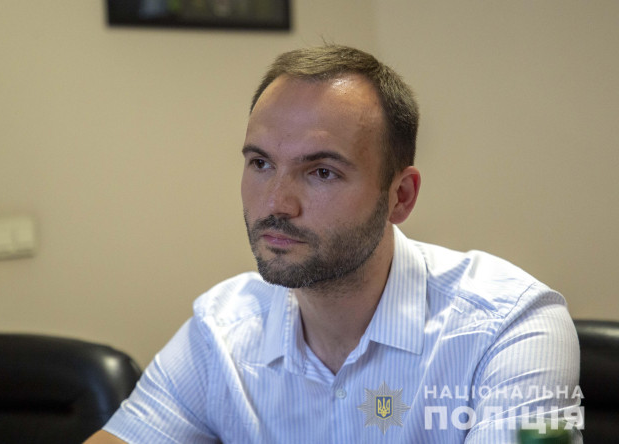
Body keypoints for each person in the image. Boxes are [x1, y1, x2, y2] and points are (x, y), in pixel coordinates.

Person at [85, 45, 581, 443]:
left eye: (321, 172)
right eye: (261, 164)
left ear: (400, 196)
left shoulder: (512, 327)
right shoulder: (220, 331)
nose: (276, 203)